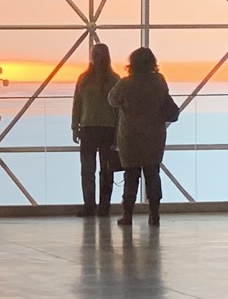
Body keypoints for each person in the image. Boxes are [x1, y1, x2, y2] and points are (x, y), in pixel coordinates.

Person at [108, 47, 169, 227]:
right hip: (154, 135)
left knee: (131, 176)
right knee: (153, 174)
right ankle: (154, 214)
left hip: (131, 136)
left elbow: (111, 99)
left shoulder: (126, 83)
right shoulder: (159, 81)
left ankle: (127, 215)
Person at [71, 43, 120, 217]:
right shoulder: (85, 79)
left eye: (98, 54)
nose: (95, 57)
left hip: (107, 129)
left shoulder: (114, 80)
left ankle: (103, 206)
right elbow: (77, 103)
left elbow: (119, 110)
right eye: (94, 54)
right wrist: (75, 126)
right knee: (87, 170)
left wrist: (118, 134)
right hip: (89, 128)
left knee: (106, 169)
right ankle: (90, 205)